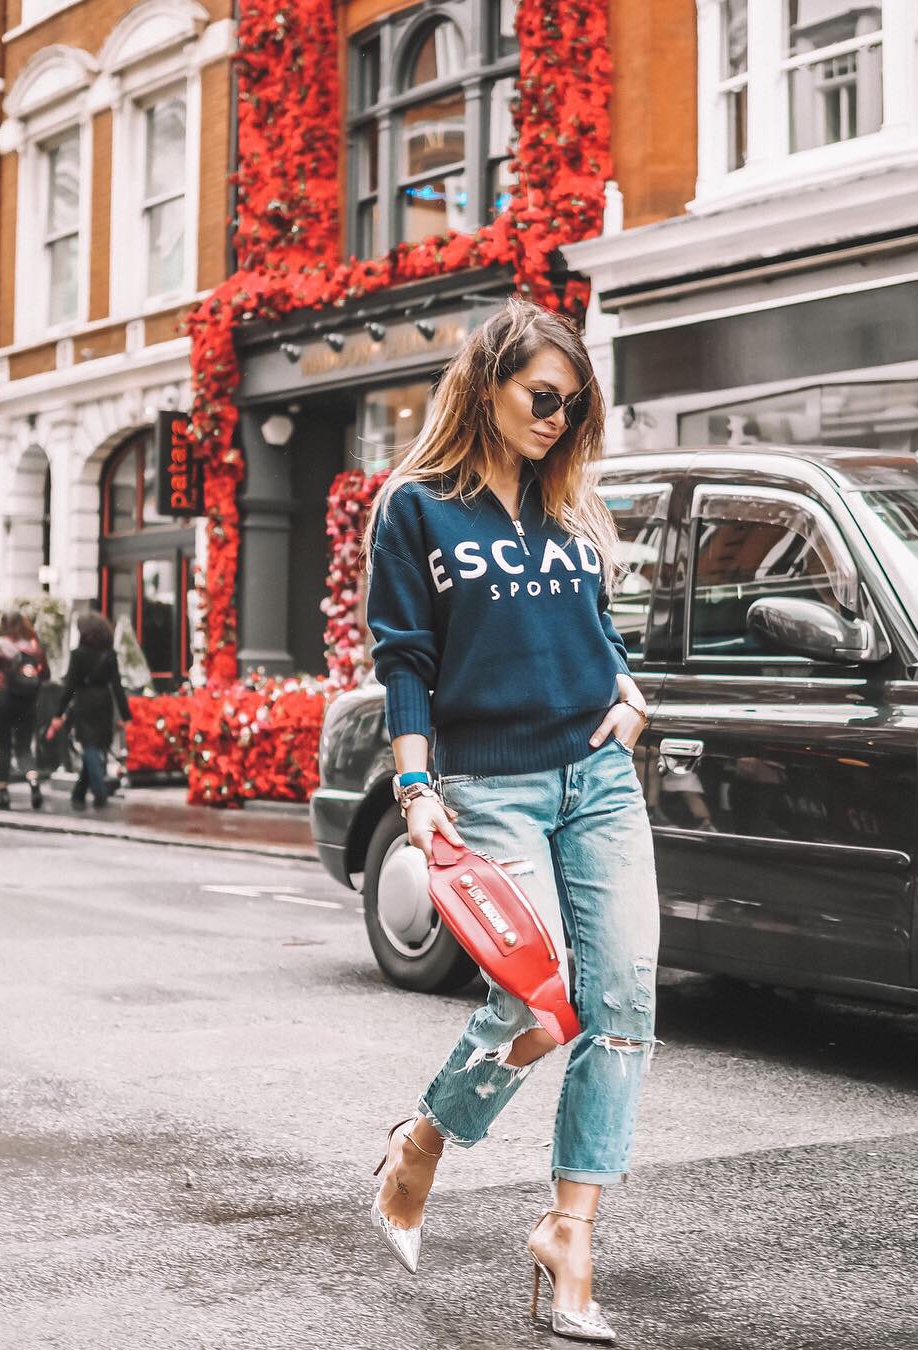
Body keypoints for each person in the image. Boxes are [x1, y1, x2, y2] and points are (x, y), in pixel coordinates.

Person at [364, 299, 659, 1343]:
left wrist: (628, 694)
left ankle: (569, 1232)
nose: (557, 418)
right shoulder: (418, 509)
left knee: (621, 1003)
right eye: (543, 398)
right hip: (489, 783)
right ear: (486, 383)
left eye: (573, 408)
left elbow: (592, 624)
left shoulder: (566, 501)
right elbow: (405, 659)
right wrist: (417, 788)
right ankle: (423, 1145)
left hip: (599, 775)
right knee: (539, 1007)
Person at [46, 612, 130, 808]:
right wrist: (125, 715)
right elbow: (117, 685)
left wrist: (59, 713)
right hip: (104, 701)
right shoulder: (110, 654)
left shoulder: (78, 654)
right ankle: (79, 792)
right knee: (96, 745)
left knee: (89, 746)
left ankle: (99, 790)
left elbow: (70, 687)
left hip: (84, 701)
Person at [0, 611, 50, 811]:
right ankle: (34, 784)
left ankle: (3, 794)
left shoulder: (0, 645)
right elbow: (46, 675)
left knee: (3, 746)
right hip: (27, 703)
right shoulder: (34, 646)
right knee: (23, 748)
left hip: (4, 699)